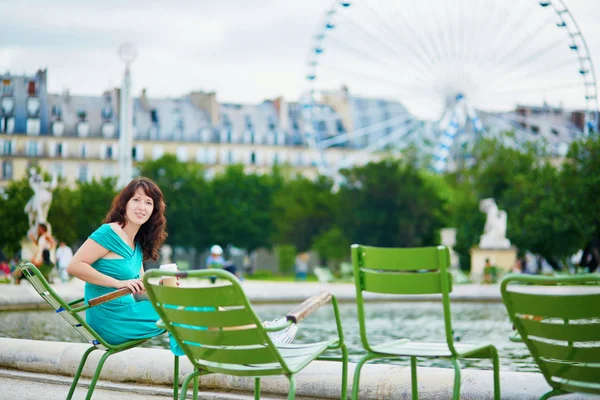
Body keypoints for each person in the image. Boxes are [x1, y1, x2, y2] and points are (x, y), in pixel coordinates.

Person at [67, 177, 185, 355]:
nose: (141, 207)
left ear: (154, 210)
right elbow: (74, 266)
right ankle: (213, 356)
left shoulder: (137, 244)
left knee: (189, 306)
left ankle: (224, 341)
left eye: (148, 202)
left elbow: (141, 291)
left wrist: (160, 287)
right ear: (125, 204)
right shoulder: (110, 232)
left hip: (129, 312)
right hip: (109, 319)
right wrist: (118, 283)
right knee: (183, 311)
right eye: (136, 200)